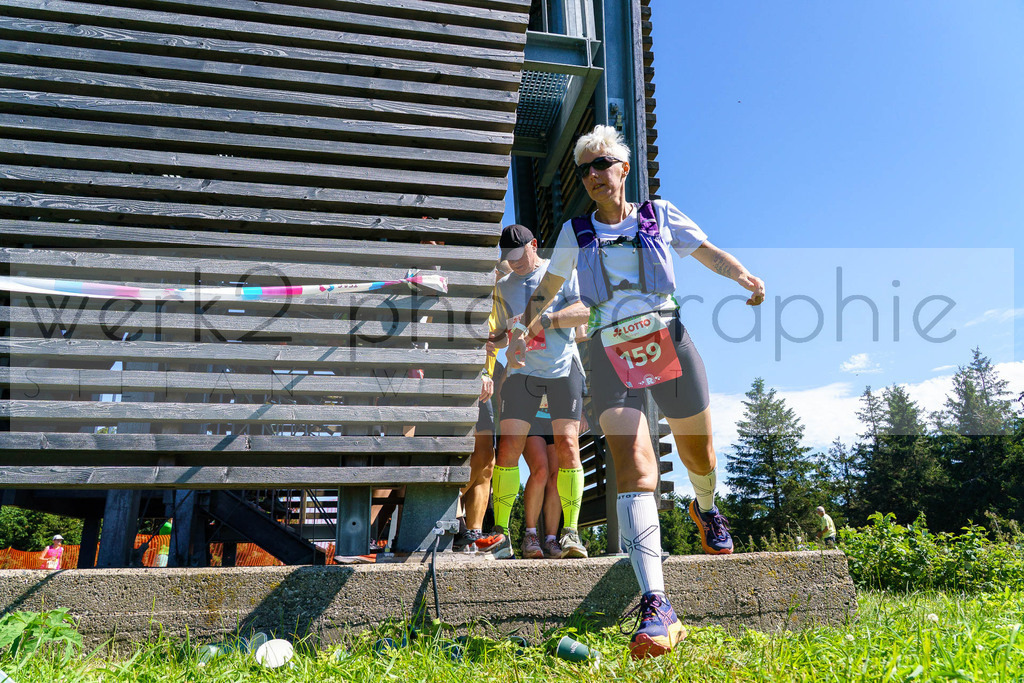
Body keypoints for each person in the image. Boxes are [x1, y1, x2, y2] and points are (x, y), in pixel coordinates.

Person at [507, 124, 765, 659]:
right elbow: (550, 292)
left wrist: (744, 278)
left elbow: (707, 252)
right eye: (585, 170)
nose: (595, 175)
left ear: (624, 169)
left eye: (603, 164)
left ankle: (706, 507)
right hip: (608, 352)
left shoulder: (660, 215)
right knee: (634, 464)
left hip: (666, 335)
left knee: (701, 452)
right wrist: (524, 327)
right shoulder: (575, 235)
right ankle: (657, 605)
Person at [486, 224, 591, 560]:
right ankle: (501, 535)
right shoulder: (503, 286)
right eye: (509, 258)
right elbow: (503, 333)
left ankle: (570, 534)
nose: (514, 263)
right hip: (522, 374)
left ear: (534, 245)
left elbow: (584, 313)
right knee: (507, 451)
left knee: (568, 448)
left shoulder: (559, 272)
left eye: (519, 256)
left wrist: (544, 321)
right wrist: (497, 341)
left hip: (562, 369)